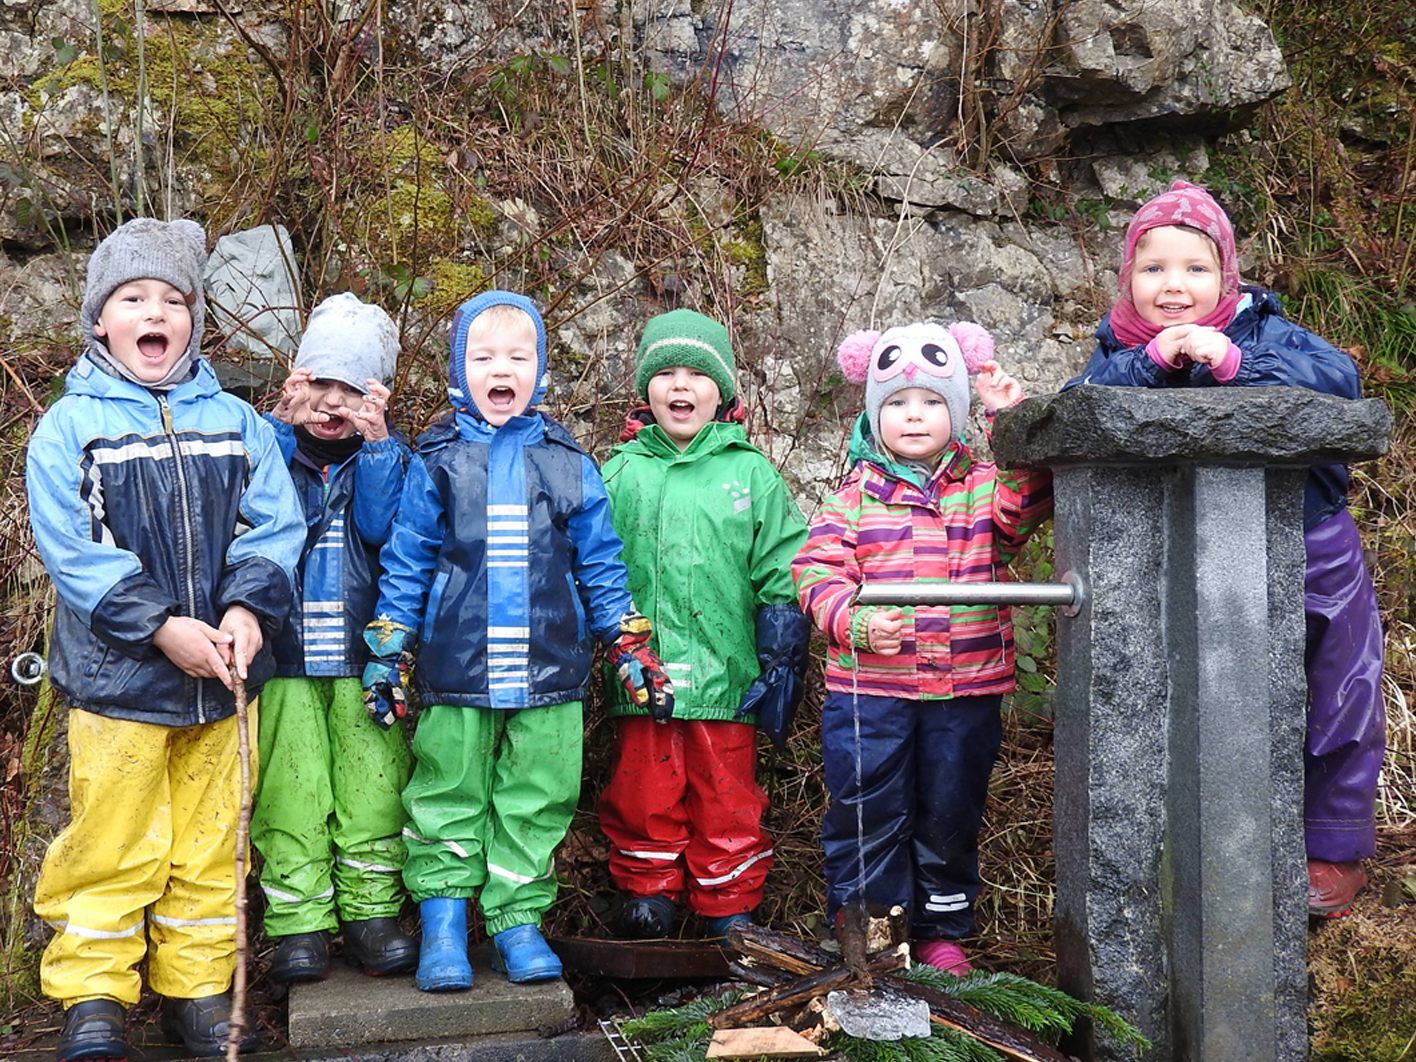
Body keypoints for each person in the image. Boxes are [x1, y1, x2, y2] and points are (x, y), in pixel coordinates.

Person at [1064, 179, 1386, 917]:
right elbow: (1076, 404)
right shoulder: (1119, 346)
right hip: (1176, 554)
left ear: (1227, 276)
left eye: (1194, 269)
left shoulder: (1265, 330)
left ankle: (1334, 846)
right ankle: (1190, 852)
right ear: (1127, 278)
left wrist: (1235, 364)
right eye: (1153, 269)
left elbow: (1342, 382)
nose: (1173, 287)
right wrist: (1150, 365)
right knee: (1203, 698)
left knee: (1343, 686)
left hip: (1312, 535)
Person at [25, 218, 304, 1060]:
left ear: (194, 318)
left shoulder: (238, 422)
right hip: (119, 688)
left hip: (223, 684)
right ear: (100, 322)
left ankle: (198, 989)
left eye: (173, 300)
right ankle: (95, 998)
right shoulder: (70, 428)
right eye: (134, 298)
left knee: (212, 849)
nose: (156, 312)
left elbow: (273, 527)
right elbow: (75, 550)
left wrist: (247, 612)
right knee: (110, 846)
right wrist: (160, 627)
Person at [361, 290, 673, 991]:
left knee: (538, 794)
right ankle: (444, 925)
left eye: (518, 356)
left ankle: (517, 921)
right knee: (446, 791)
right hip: (455, 664)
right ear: (456, 369)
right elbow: (407, 559)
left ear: (540, 371)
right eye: (483, 357)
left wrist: (628, 646)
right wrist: (389, 648)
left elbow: (599, 562)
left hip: (550, 666)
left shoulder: (568, 462)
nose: (501, 369)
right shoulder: (436, 460)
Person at [793, 319, 1052, 975]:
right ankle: (874, 936)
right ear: (875, 415)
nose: (914, 415)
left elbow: (1026, 507)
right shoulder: (853, 496)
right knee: (866, 813)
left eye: (933, 402)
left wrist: (1011, 422)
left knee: (949, 812)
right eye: (898, 403)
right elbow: (816, 573)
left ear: (958, 412)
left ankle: (942, 930)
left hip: (964, 691)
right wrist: (854, 622)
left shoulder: (982, 483)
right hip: (869, 695)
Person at [598, 309, 811, 940]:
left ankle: (728, 899)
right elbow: (592, 558)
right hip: (644, 670)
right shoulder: (620, 473)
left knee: (727, 794)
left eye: (697, 373)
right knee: (644, 789)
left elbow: (783, 563)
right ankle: (648, 891)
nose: (680, 385)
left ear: (723, 392)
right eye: (665, 373)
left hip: (728, 670)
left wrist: (782, 652)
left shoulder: (751, 474)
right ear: (646, 390)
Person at [250, 293, 416, 986]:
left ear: (378, 397)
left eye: (353, 389)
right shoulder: (265, 448)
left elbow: (383, 531)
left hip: (362, 656)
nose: (332, 403)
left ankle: (372, 912)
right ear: (295, 381)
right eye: (320, 383)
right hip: (284, 657)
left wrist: (376, 446)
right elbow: (261, 515)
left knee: (374, 787)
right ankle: (298, 924)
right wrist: (281, 432)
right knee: (289, 792)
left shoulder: (391, 459)